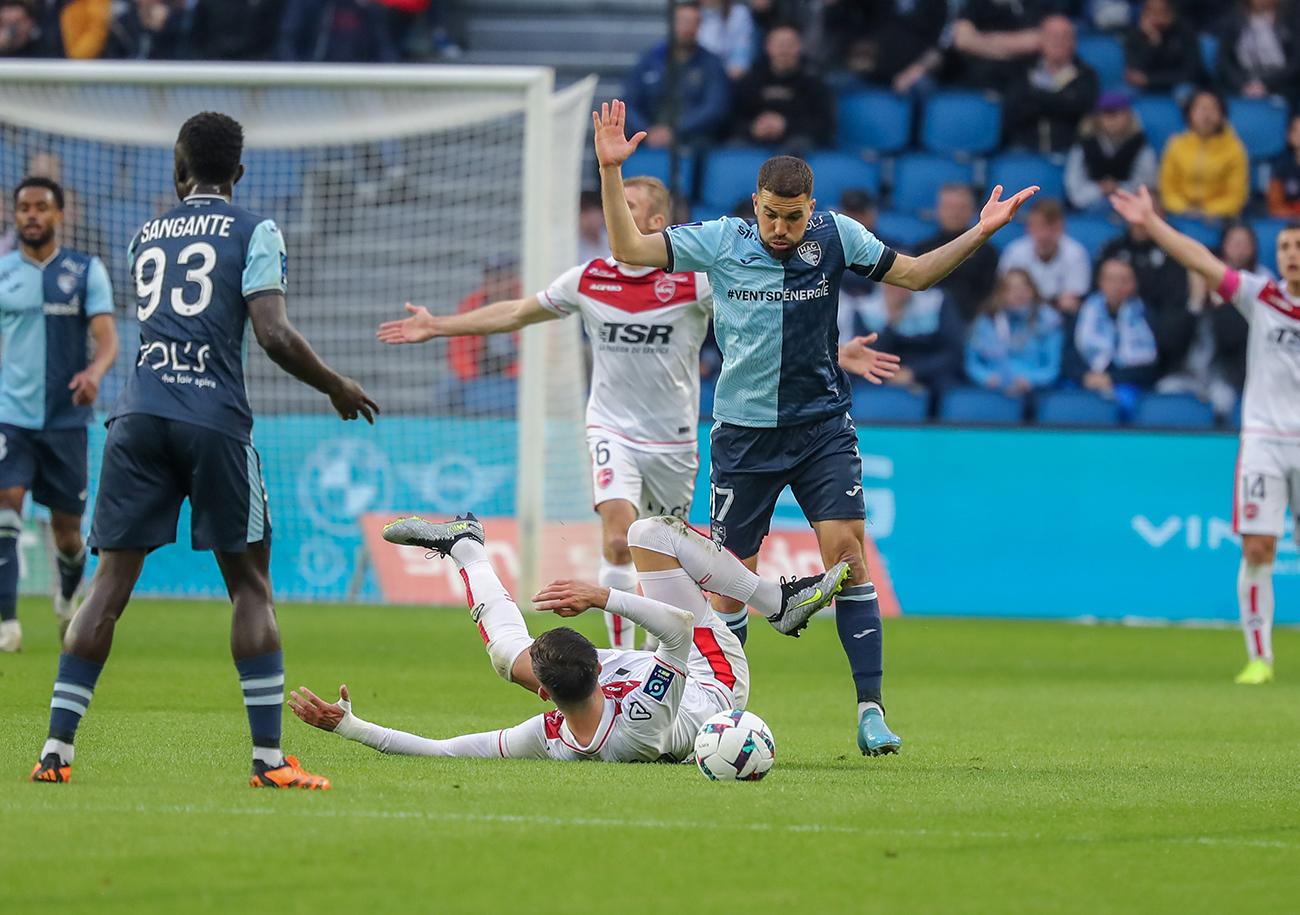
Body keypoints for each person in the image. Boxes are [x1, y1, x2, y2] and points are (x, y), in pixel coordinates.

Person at [592, 99, 1035, 756]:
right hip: (743, 436)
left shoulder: (837, 236)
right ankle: (723, 711)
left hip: (822, 427)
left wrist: (981, 231)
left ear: (811, 208)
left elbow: (912, 275)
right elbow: (628, 246)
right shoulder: (722, 240)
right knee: (729, 579)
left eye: (792, 216)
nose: (779, 226)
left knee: (848, 555)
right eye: (770, 213)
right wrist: (608, 171)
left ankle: (871, 710)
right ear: (756, 202)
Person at [27, 112, 379, 787]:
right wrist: (335, 383)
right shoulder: (255, 229)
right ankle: (269, 760)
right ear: (239, 172)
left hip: (137, 417)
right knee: (249, 584)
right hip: (213, 421)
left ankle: (56, 751)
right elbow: (272, 334)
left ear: (178, 171)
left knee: (107, 587)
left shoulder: (144, 234)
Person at [378, 176, 713, 652]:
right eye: (614, 201)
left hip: (675, 440)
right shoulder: (589, 279)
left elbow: (755, 322)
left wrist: (827, 351)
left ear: (657, 224)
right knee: (619, 540)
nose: (617, 211)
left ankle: (671, 663)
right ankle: (622, 660)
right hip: (611, 428)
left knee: (663, 557)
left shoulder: (693, 282)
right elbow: (516, 312)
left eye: (631, 205)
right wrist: (438, 326)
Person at [292, 513, 849, 762]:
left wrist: (349, 725)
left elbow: (443, 750)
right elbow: (679, 631)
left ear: (545, 694)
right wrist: (600, 596)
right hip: (714, 676)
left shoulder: (551, 736)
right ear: (600, 673)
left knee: (505, 655)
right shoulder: (639, 724)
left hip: (654, 667)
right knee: (648, 534)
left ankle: (466, 546)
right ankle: (777, 603)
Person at [1113, 186, 1300, 685]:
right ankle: (1260, 658)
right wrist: (1151, 223)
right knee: (1258, 549)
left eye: (1298, 247)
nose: (1292, 255)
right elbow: (1201, 259)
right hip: (1263, 438)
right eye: (1285, 247)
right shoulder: (1264, 297)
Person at [0, 177, 118, 654]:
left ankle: (67, 593)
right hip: (11, 415)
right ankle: (7, 622)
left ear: (59, 216)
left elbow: (107, 339)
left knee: (69, 535)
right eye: (23, 207)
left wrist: (95, 372)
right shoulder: (3, 272)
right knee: (7, 502)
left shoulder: (85, 270)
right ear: (15, 215)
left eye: (41, 207)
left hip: (67, 420)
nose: (31, 215)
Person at [1095, 195, 1193, 376]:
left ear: (1162, 218)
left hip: (1159, 341)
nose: (1143, 220)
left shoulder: (1176, 255)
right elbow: (1097, 299)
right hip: (1110, 333)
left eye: (1151, 214)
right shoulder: (1113, 250)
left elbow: (1177, 305)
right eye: (1140, 212)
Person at [623, 1, 731, 150]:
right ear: (672, 23)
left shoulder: (712, 65)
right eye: (684, 22)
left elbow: (714, 108)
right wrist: (646, 131)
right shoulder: (650, 60)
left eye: (694, 22)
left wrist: (675, 130)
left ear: (700, 26)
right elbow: (628, 103)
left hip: (691, 136)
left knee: (703, 144)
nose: (688, 28)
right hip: (648, 134)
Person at [1067, 257, 1159, 406]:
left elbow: (1150, 366)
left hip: (1129, 384)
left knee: (1124, 402)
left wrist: (1111, 378)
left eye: (1124, 280)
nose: (1117, 286)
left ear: (1134, 284)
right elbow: (1068, 356)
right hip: (1085, 380)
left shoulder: (1146, 317)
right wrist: (1086, 376)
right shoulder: (1082, 313)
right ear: (1100, 282)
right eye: (1111, 279)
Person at [730, 24, 835, 154]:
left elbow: (825, 126)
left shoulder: (814, 80)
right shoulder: (752, 79)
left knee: (794, 150)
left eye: (790, 45)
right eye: (779, 45)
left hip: (797, 142)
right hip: (754, 138)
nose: (784, 50)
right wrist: (752, 127)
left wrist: (786, 126)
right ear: (767, 47)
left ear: (799, 46)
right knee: (733, 149)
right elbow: (732, 120)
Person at [1004, 15, 1100, 155]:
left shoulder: (1087, 75)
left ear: (1073, 42)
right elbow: (1014, 110)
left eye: (1065, 36)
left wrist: (1034, 97)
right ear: (1041, 40)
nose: (1059, 41)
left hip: (1070, 153)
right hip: (1025, 152)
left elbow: (1081, 108)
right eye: (1053, 36)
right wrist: (1061, 100)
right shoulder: (1020, 72)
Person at [965, 268, 1063, 396]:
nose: (1018, 294)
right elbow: (972, 364)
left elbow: (1052, 368)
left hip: (1035, 395)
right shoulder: (985, 322)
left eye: (1023, 288)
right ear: (1000, 293)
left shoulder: (1049, 321)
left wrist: (1031, 380)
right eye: (1011, 289)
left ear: (1033, 291)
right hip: (992, 392)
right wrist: (987, 378)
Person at [822, 0, 948, 96]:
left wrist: (915, 71)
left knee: (923, 88)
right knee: (831, 84)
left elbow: (939, 48)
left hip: (913, 75)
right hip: (870, 71)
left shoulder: (936, 3)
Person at [916, 183, 1000, 323]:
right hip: (927, 323)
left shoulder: (986, 252)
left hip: (972, 323)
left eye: (961, 208)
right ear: (939, 209)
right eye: (949, 207)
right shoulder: (921, 250)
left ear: (972, 211)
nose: (955, 213)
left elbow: (991, 295)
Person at [1158, 90, 1249, 220]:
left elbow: (1235, 197)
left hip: (1220, 219)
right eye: (1200, 108)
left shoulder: (1235, 149)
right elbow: (1167, 190)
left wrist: (1207, 211)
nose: (1206, 114)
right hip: (1180, 216)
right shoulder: (1176, 145)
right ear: (1189, 114)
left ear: (1222, 114)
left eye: (1212, 108)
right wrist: (1183, 209)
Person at [1065, 92, 1159, 213]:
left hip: (1130, 205)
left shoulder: (1139, 144)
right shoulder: (1084, 144)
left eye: (1118, 113)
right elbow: (1074, 188)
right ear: (1097, 118)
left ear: (1128, 115)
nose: (1113, 119)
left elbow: (1147, 183)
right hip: (1091, 205)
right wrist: (1099, 189)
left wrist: (1118, 188)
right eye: (1107, 114)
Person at [863, 283, 965, 394]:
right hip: (885, 383)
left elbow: (954, 354)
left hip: (933, 383)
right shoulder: (865, 310)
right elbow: (866, 357)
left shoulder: (936, 302)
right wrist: (891, 319)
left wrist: (913, 372)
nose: (895, 285)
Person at [998, 198, 1092, 314]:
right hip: (1020, 312)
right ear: (1029, 228)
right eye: (1040, 227)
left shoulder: (1076, 253)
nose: (1045, 234)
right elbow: (1003, 291)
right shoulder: (1015, 252)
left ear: (1062, 228)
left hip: (1058, 315)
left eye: (1051, 228)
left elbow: (1072, 298)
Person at [446, 256, 521, 383]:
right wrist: (470, 375)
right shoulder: (471, 305)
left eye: (500, 280)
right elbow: (458, 348)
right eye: (490, 280)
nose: (495, 286)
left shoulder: (528, 302)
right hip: (480, 372)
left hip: (517, 375)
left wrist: (514, 373)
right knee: (446, 390)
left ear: (513, 279)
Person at [945, 0, 1045, 93]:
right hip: (978, 77)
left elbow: (1035, 42)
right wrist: (1010, 46)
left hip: (1022, 76)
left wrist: (981, 41)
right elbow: (962, 41)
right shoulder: (977, 4)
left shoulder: (1034, 4)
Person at [1217, 0, 1300, 103]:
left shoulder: (1292, 18)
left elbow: (1296, 61)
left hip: (1284, 84)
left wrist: (1266, 84)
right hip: (1243, 82)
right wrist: (1243, 84)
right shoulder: (1233, 19)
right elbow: (1224, 60)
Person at [1122, 0, 1203, 96]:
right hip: (1145, 86)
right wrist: (1153, 43)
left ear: (1171, 12)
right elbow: (1135, 73)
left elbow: (1190, 73)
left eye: (1161, 11)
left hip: (1177, 84)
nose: (1156, 17)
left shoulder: (1185, 32)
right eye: (1150, 11)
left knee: (1186, 93)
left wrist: (1150, 80)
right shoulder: (1134, 36)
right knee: (1121, 97)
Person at [276, 0, 398, 63]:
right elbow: (286, 42)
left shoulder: (367, 9)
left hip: (354, 84)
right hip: (310, 83)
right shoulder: (306, 4)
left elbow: (384, 49)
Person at [101, 0, 186, 59]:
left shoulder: (174, 22)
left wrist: (158, 32)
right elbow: (113, 57)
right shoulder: (122, 23)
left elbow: (173, 57)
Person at [697, 0, 755, 79]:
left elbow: (741, 51)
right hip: (697, 71)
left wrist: (736, 67)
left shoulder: (739, 13)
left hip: (726, 74)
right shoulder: (690, 13)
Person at [1267, 113, 1300, 218]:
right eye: (1297, 131)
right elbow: (1275, 206)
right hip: (1290, 223)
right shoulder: (1281, 165)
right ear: (1289, 135)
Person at [576, 190, 608, 265]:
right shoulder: (572, 246)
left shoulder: (613, 242)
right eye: (584, 214)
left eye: (593, 213)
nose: (590, 220)